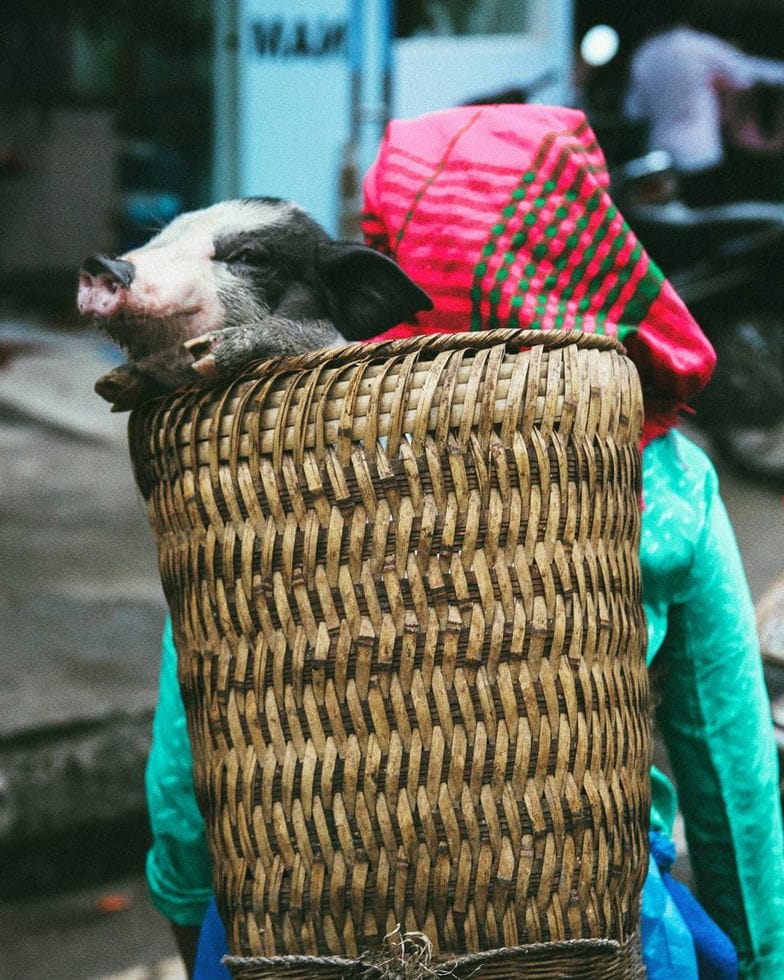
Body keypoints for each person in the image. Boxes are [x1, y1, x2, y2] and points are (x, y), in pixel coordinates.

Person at [144, 103, 784, 978]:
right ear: (583, 241)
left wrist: (198, 929)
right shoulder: (658, 479)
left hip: (303, 932)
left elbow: (187, 771)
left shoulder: (266, 466)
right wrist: (761, 959)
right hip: (590, 930)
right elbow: (729, 774)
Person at [624, 21, 784, 205]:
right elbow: (748, 71)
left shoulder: (644, 54)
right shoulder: (698, 45)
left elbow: (634, 111)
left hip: (660, 154)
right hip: (700, 153)